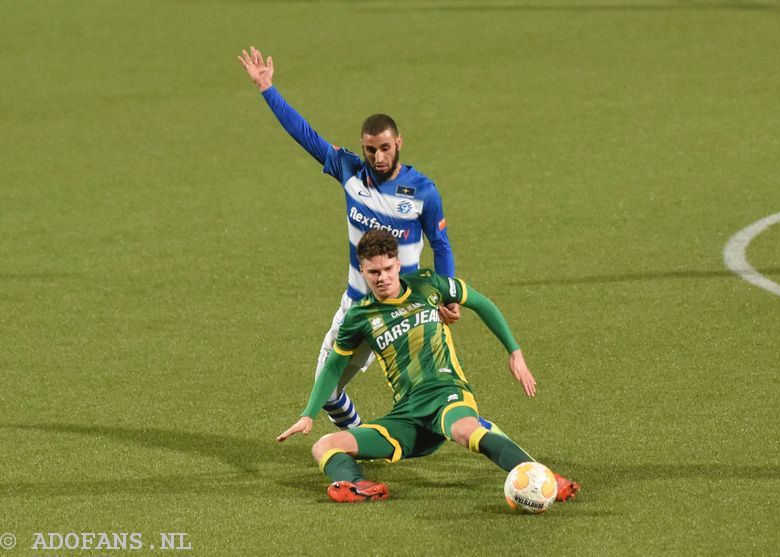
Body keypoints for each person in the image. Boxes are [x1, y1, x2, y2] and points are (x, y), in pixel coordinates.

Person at [238, 46, 465, 430]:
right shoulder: (350, 173)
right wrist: (267, 89)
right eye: (371, 149)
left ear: (399, 143)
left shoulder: (423, 192)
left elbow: (441, 246)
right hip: (358, 309)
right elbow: (305, 135)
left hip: (408, 311)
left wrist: (446, 296)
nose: (378, 157)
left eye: (385, 148)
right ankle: (358, 438)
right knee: (324, 390)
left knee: (435, 395)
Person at [277, 230, 581, 503]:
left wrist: (514, 351)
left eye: (386, 269)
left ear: (397, 264)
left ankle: (547, 478)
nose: (381, 277)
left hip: (445, 394)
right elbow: (333, 367)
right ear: (363, 272)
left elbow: (482, 303)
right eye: (373, 272)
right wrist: (308, 415)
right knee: (325, 445)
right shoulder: (359, 316)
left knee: (465, 431)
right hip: (407, 415)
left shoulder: (428, 285)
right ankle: (358, 486)